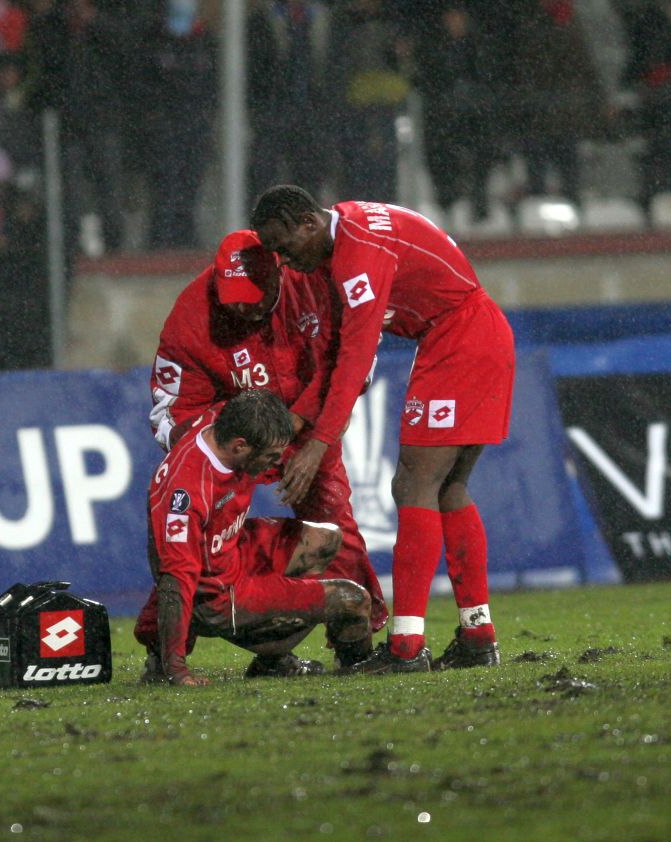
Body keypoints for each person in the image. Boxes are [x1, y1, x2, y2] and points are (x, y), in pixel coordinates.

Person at [251, 185, 515, 674]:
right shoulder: (347, 233)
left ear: (309, 223)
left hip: (459, 338)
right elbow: (341, 351)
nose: (284, 261)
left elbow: (354, 356)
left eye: (285, 247)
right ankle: (477, 634)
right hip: (471, 332)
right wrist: (298, 424)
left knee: (414, 484)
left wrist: (318, 445)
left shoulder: (356, 255)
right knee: (449, 488)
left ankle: (406, 648)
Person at [147, 229, 388, 669]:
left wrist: (316, 430)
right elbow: (169, 410)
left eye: (255, 296)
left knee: (337, 533)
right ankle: (168, 652)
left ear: (280, 268)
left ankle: (355, 649)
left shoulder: (315, 280)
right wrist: (213, 453)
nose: (243, 307)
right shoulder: (191, 317)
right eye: (233, 298)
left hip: (310, 432)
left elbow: (358, 352)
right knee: (199, 548)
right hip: (237, 445)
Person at [135, 388, 373, 686]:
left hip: (233, 552)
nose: (276, 463)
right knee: (352, 599)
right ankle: (360, 669)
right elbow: (173, 582)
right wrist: (176, 669)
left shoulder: (219, 421)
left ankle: (273, 661)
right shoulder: (188, 492)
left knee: (325, 539)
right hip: (219, 597)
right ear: (240, 447)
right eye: (271, 456)